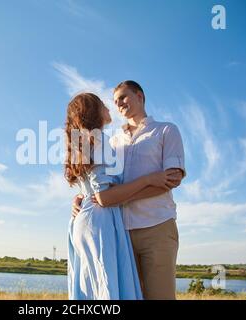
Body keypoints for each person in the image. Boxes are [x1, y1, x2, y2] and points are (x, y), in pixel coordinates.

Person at [72, 81, 186, 300]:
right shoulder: (113, 142)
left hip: (158, 227)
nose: (119, 103)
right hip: (119, 232)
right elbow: (100, 183)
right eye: (115, 101)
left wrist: (115, 198)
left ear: (140, 96)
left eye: (124, 97)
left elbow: (172, 179)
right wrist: (80, 198)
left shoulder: (165, 130)